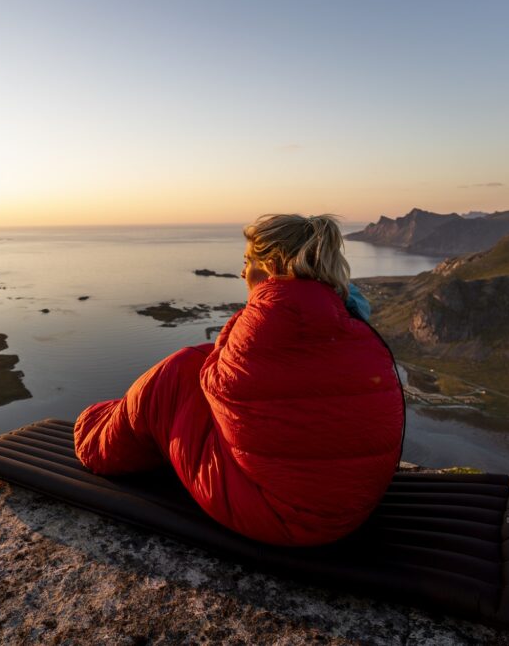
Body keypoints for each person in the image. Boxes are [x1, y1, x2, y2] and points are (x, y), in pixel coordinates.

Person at [73, 214, 405, 546]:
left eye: (249, 261)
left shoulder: (271, 319)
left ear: (272, 265)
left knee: (177, 373)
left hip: (284, 516)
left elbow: (218, 386)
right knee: (200, 360)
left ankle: (95, 441)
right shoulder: (349, 319)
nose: (243, 272)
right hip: (352, 505)